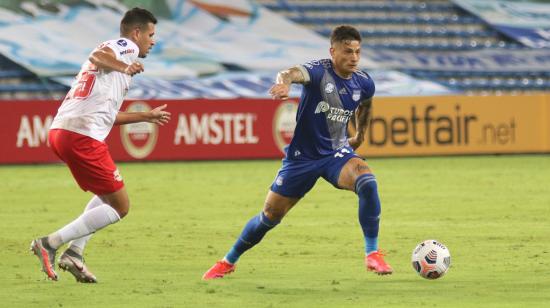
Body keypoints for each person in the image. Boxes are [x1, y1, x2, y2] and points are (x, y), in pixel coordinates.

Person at [203, 25, 392, 280]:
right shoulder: (318, 71)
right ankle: (228, 260)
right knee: (270, 216)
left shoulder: (364, 82)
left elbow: (365, 107)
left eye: (358, 52)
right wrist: (283, 84)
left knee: (367, 181)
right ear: (332, 51)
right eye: (348, 52)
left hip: (337, 153)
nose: (354, 58)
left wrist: (360, 135)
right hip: (301, 158)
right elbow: (289, 72)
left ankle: (373, 254)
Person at [30, 7, 170, 283]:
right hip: (81, 135)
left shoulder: (115, 65)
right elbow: (97, 55)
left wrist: (146, 116)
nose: (153, 41)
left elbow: (106, 113)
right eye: (151, 35)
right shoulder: (125, 47)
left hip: (64, 131)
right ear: (136, 32)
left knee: (107, 195)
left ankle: (75, 254)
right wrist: (125, 65)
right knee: (120, 206)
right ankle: (49, 243)